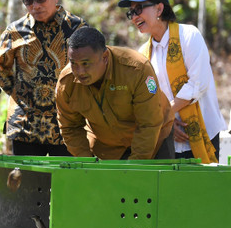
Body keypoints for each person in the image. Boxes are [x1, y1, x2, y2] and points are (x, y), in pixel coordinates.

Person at [118, 0, 225, 163]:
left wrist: (164, 116)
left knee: (204, 187)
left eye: (139, 9)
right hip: (169, 138)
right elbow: (149, 96)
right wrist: (167, 123)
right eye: (131, 13)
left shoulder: (189, 36)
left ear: (159, 8)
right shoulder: (143, 53)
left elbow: (197, 84)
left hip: (203, 130)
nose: (134, 17)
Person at [0, 0, 86, 156]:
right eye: (28, 1)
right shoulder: (16, 30)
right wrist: (19, 93)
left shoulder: (77, 28)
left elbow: (92, 66)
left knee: (65, 183)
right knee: (28, 183)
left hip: (67, 125)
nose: (35, 6)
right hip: (25, 125)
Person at [55, 26, 174, 160]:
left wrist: (134, 166)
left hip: (154, 136)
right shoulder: (67, 83)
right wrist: (87, 162)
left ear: (105, 57)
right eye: (73, 63)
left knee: (151, 180)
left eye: (86, 63)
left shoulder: (137, 70)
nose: (80, 71)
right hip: (106, 146)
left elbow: (149, 123)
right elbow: (70, 127)